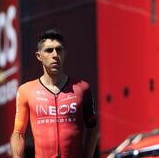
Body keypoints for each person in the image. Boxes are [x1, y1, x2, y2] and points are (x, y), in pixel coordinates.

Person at [10, 28, 98, 158]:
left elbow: (92, 128)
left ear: (65, 53)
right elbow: (18, 133)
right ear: (39, 56)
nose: (55, 55)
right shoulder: (26, 91)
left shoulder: (82, 88)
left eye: (59, 49)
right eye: (49, 50)